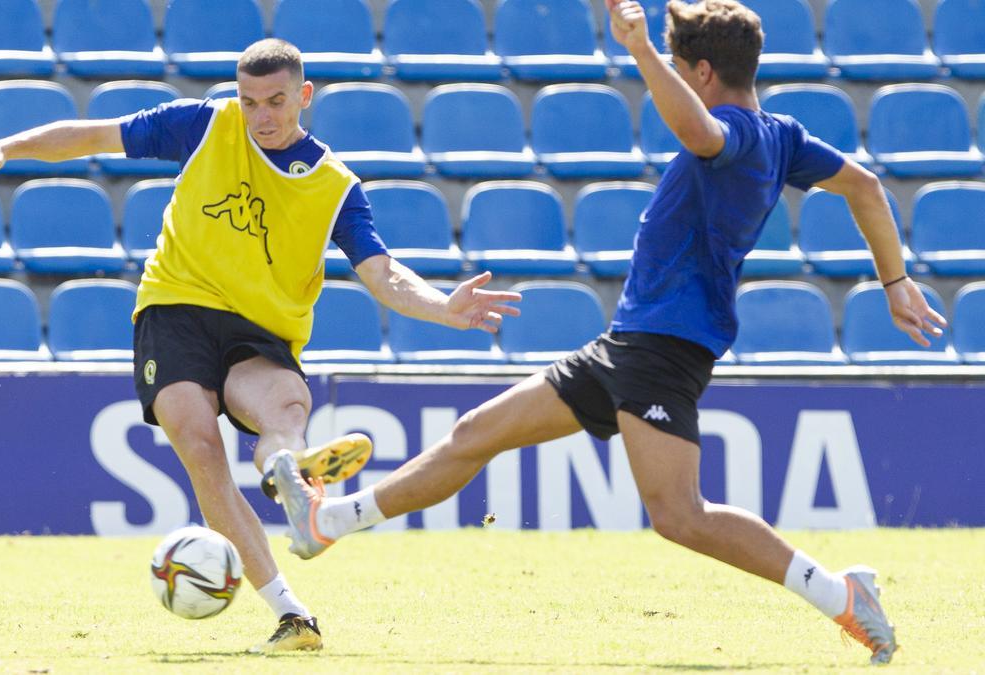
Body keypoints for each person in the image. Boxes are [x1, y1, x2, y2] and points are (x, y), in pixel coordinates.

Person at [272, 0, 946, 665]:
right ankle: (324, 523)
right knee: (475, 432)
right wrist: (895, 282)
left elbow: (702, 133)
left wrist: (642, 51)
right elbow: (863, 184)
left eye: (683, 68)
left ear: (702, 73)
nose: (677, 78)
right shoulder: (785, 135)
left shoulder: (737, 131)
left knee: (680, 513)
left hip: (663, 346)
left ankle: (841, 593)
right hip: (629, 342)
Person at [0, 39, 520, 653]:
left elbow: (381, 273)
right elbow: (93, 135)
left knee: (284, 407)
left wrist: (444, 306)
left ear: (303, 96)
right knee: (201, 446)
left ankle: (292, 482)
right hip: (175, 308)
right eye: (250, 101)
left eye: (276, 101)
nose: (262, 116)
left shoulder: (335, 186)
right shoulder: (205, 124)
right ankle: (292, 612)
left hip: (260, 331)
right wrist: (6, 147)